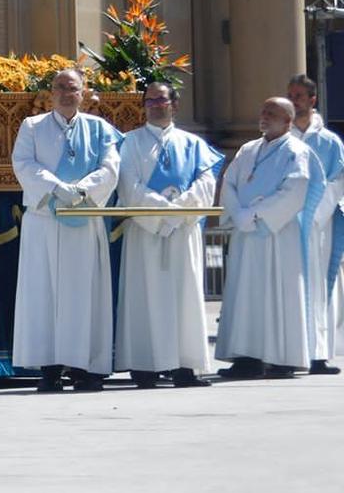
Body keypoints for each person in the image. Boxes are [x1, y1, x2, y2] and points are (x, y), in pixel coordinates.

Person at [10, 69, 122, 392]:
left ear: (83, 93)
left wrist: (83, 190)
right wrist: (59, 189)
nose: (65, 93)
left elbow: (110, 167)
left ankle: (86, 367)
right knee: (43, 295)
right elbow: (23, 164)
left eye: (71, 88)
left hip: (84, 221)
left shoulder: (100, 129)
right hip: (44, 220)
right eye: (59, 87)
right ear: (50, 92)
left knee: (84, 295)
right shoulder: (32, 127)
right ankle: (49, 368)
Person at [113, 82, 223, 388]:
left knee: (184, 297)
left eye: (162, 99)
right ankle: (145, 366)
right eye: (150, 100)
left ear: (174, 104)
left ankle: (184, 367)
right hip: (145, 233)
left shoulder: (194, 145)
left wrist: (176, 215)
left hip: (183, 232)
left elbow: (205, 184)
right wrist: (160, 214)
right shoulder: (129, 143)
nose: (156, 105)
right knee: (143, 295)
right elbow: (128, 186)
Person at [217, 99, 315, 379]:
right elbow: (230, 183)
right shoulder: (247, 149)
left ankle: (281, 358)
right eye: (263, 111)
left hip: (277, 235)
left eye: (272, 113)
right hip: (246, 235)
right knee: (244, 294)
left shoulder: (297, 151)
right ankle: (247, 357)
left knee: (277, 294)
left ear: (287, 121)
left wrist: (257, 214)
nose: (264, 117)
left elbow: (295, 190)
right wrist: (238, 214)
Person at [286, 74, 344, 375]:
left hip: (319, 227)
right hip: (286, 225)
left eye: (299, 96)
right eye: (290, 95)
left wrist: (315, 212)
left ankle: (319, 353)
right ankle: (289, 349)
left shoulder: (330, 142)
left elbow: (338, 181)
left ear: (312, 100)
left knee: (318, 287)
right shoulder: (282, 140)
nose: (294, 101)